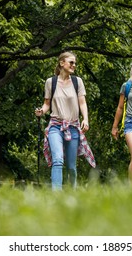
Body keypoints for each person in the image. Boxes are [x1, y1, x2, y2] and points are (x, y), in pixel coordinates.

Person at [35, 51, 95, 191]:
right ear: (62, 63)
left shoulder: (77, 81)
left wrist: (85, 119)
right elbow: (47, 104)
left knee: (71, 167)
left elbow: (82, 103)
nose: (74, 65)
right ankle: (57, 195)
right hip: (55, 126)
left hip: (73, 127)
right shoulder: (51, 82)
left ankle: (71, 194)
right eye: (71, 62)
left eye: (75, 63)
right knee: (57, 160)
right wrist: (41, 111)